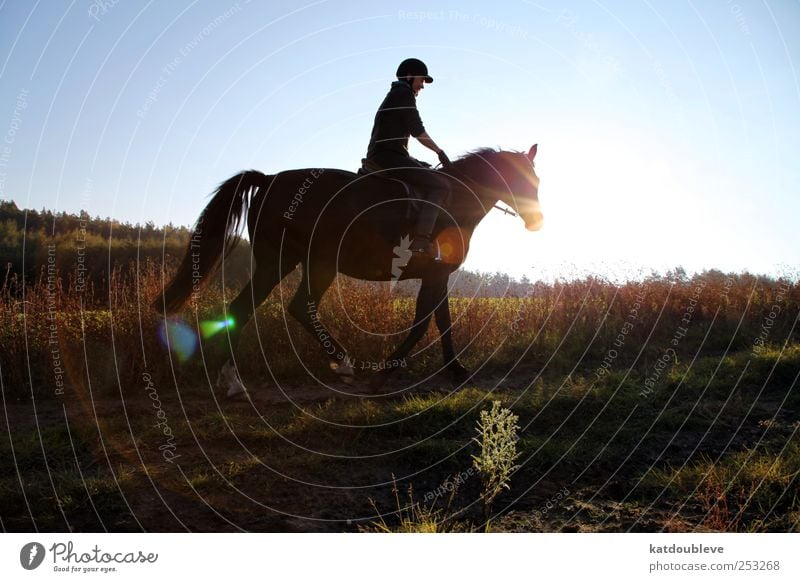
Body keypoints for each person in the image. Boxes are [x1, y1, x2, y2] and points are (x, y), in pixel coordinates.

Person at [364, 58, 452, 259]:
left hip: (389, 154)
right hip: (388, 157)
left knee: (427, 170)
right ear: (409, 76)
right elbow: (418, 130)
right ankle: (421, 241)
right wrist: (440, 152)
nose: (422, 85)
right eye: (421, 80)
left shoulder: (395, 94)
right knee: (441, 185)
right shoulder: (404, 94)